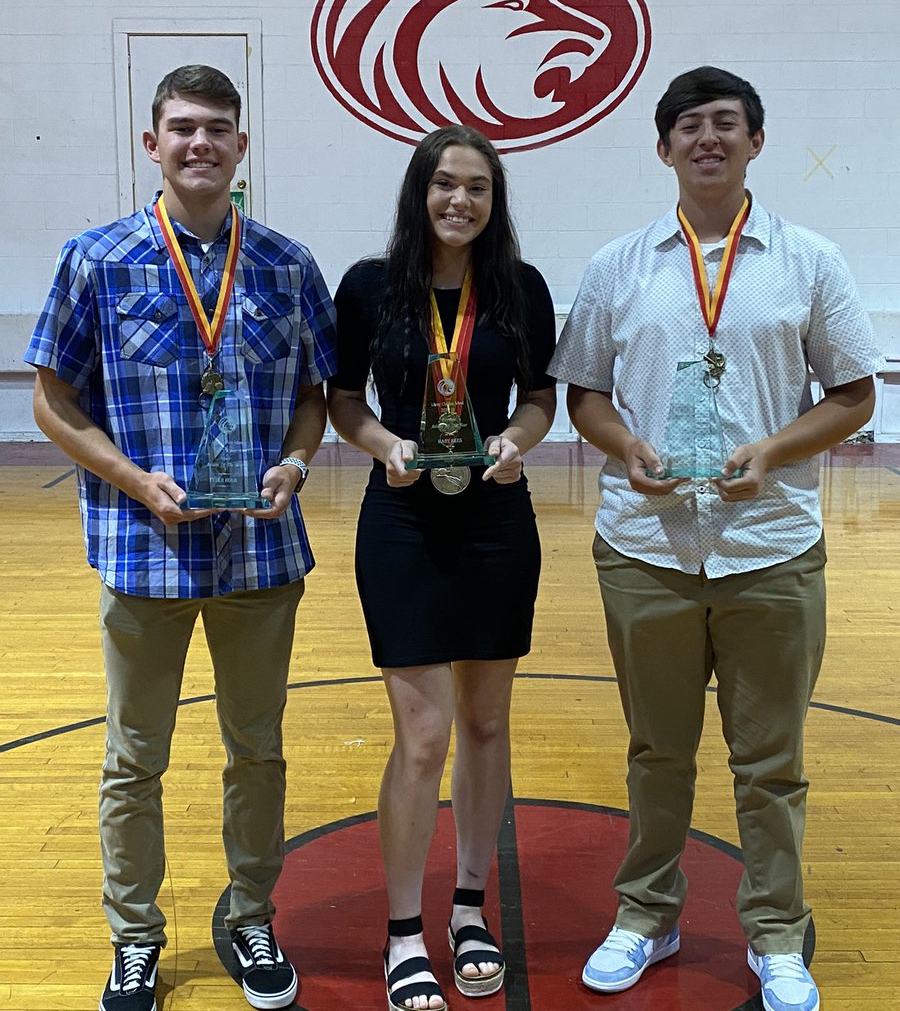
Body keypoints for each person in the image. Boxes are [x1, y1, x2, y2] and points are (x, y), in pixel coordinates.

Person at [550, 67, 880, 1011]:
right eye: (688, 126)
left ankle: (776, 934)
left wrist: (772, 449)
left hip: (769, 545)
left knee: (771, 762)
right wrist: (626, 446)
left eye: (725, 124)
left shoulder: (810, 260)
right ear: (663, 149)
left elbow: (857, 393)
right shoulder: (621, 264)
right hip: (646, 544)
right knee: (657, 752)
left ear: (754, 142)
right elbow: (583, 394)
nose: (707, 139)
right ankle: (647, 916)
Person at [25, 65, 337, 1011]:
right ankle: (135, 935)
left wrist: (290, 464)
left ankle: (250, 917)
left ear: (243, 148)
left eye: (218, 128)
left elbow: (319, 396)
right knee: (135, 758)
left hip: (260, 557)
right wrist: (133, 483)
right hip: (142, 551)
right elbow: (53, 401)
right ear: (151, 143)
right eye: (181, 127)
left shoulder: (287, 264)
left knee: (259, 751)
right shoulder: (97, 258)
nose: (200, 143)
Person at [327, 125, 557, 1011]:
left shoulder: (519, 289)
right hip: (403, 521)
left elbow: (538, 401)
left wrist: (512, 441)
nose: (460, 201)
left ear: (494, 203)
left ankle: (468, 906)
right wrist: (385, 444)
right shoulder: (370, 288)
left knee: (488, 727)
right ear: (418, 191)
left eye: (478, 189)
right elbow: (343, 402)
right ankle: (402, 933)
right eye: (445, 185)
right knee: (422, 739)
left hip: (497, 516)